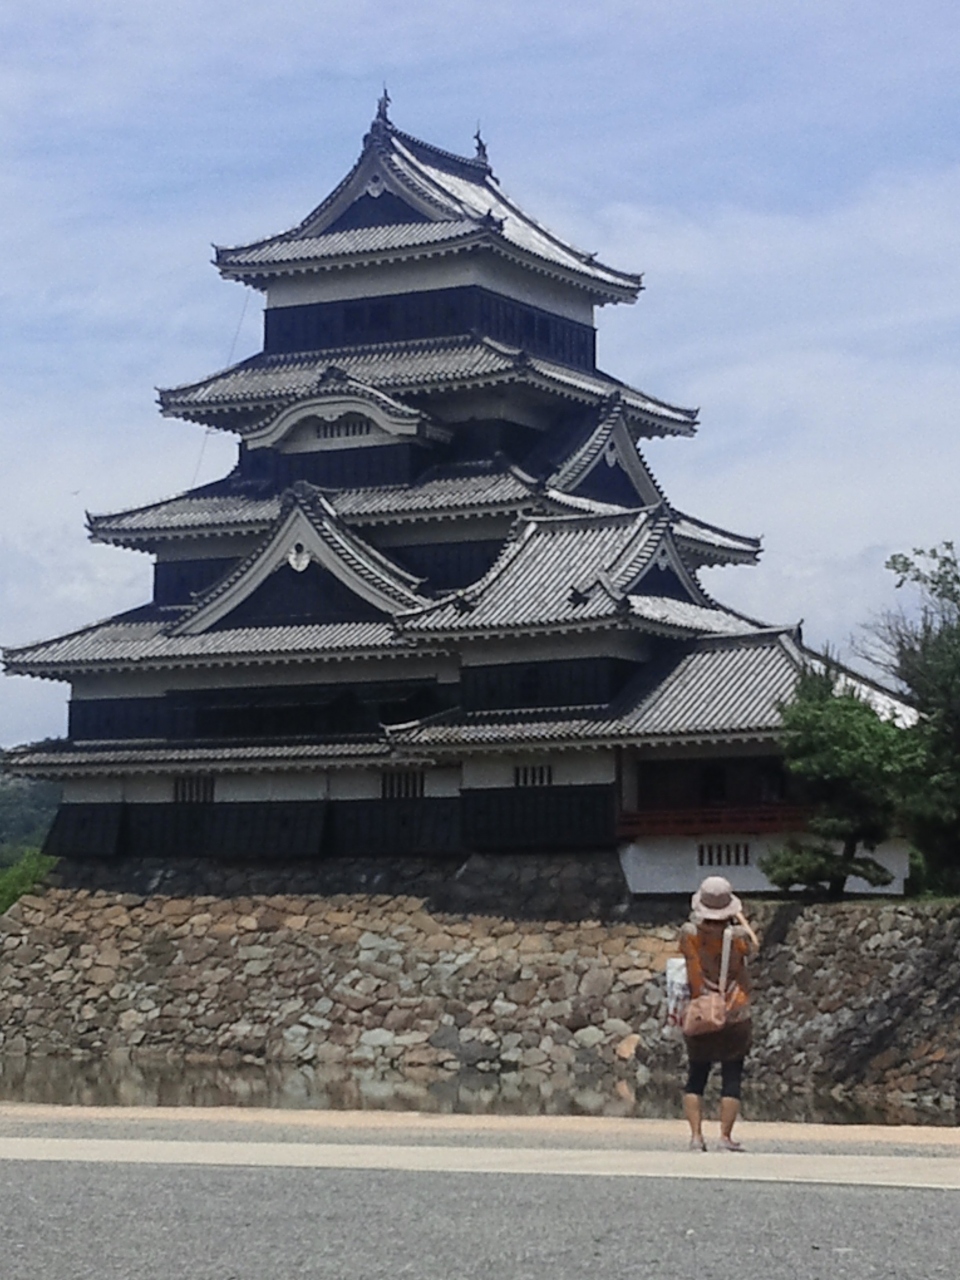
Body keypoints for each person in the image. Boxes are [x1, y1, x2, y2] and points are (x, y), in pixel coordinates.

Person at [679, 875, 759, 1151]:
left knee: (696, 1074)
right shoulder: (737, 938)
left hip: (701, 1009)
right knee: (732, 1074)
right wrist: (740, 919)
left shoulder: (688, 934)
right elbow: (754, 947)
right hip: (734, 1010)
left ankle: (696, 1137)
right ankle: (725, 1137)